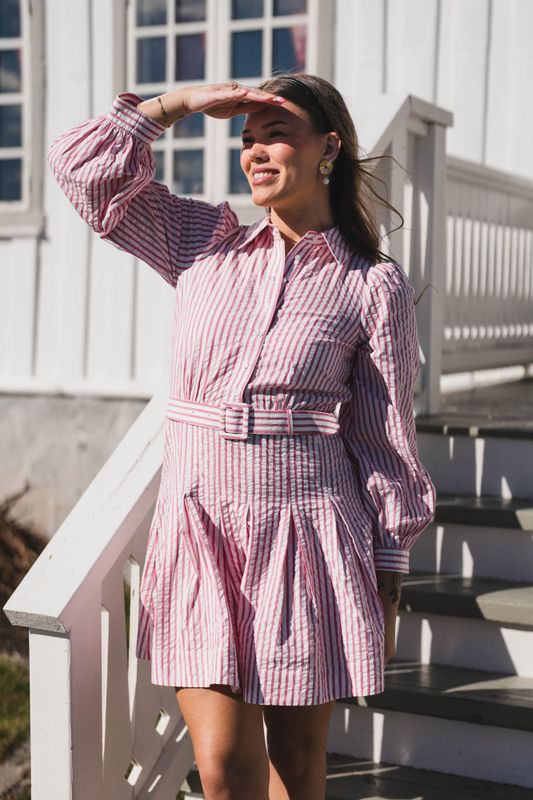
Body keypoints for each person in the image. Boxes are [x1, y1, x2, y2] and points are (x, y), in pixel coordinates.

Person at [48, 73, 436, 800]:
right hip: (200, 535)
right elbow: (83, 176)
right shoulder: (204, 243)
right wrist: (175, 106)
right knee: (224, 770)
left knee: (295, 762)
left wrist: (388, 574)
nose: (254, 153)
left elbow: (383, 437)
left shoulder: (369, 283)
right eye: (246, 140)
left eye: (274, 136)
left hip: (308, 535)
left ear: (329, 148)